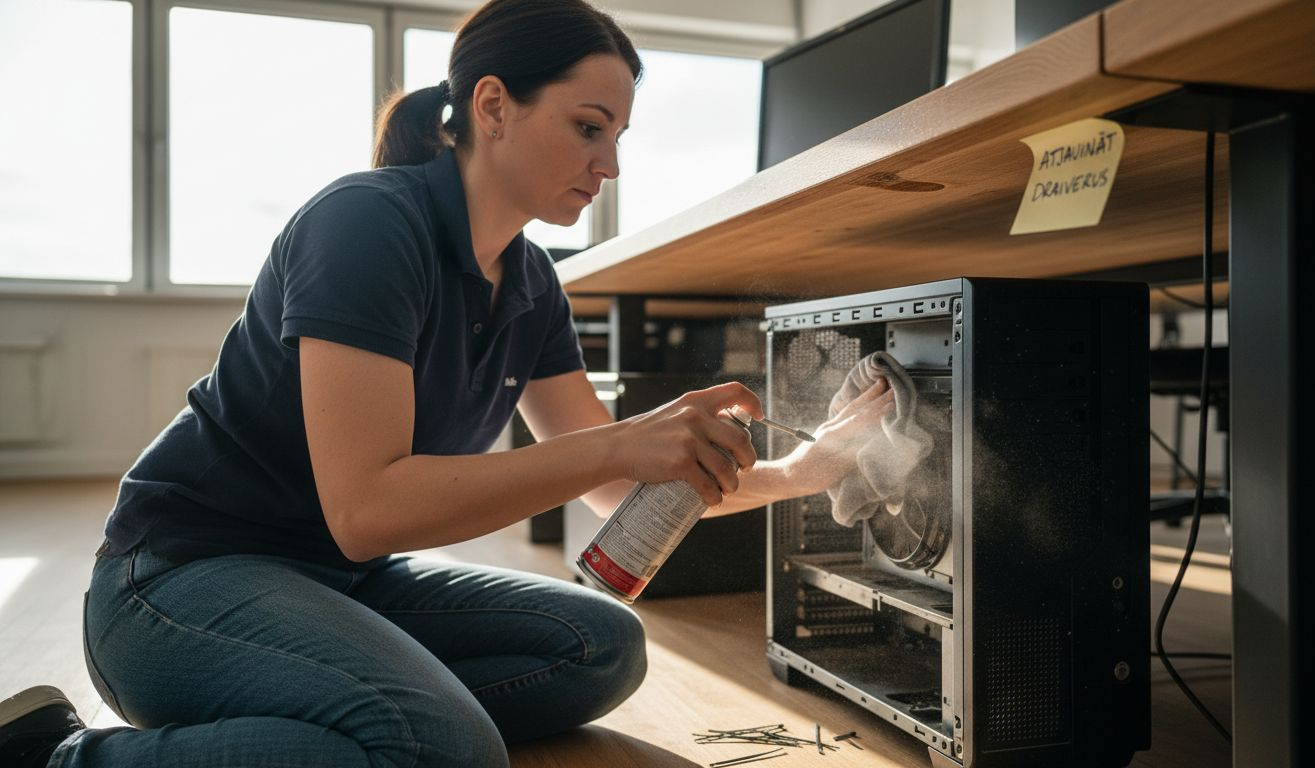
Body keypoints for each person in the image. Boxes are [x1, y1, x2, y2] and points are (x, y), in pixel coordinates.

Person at [0, 1, 891, 766]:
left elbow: (621, 486)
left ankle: (340, 710)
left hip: (334, 585)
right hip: (174, 584)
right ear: (493, 107)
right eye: (588, 127)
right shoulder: (366, 224)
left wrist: (805, 471)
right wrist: (621, 437)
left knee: (602, 645)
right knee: (447, 746)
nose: (609, 165)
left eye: (618, 137)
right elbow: (368, 509)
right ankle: (61, 753)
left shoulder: (531, 279)